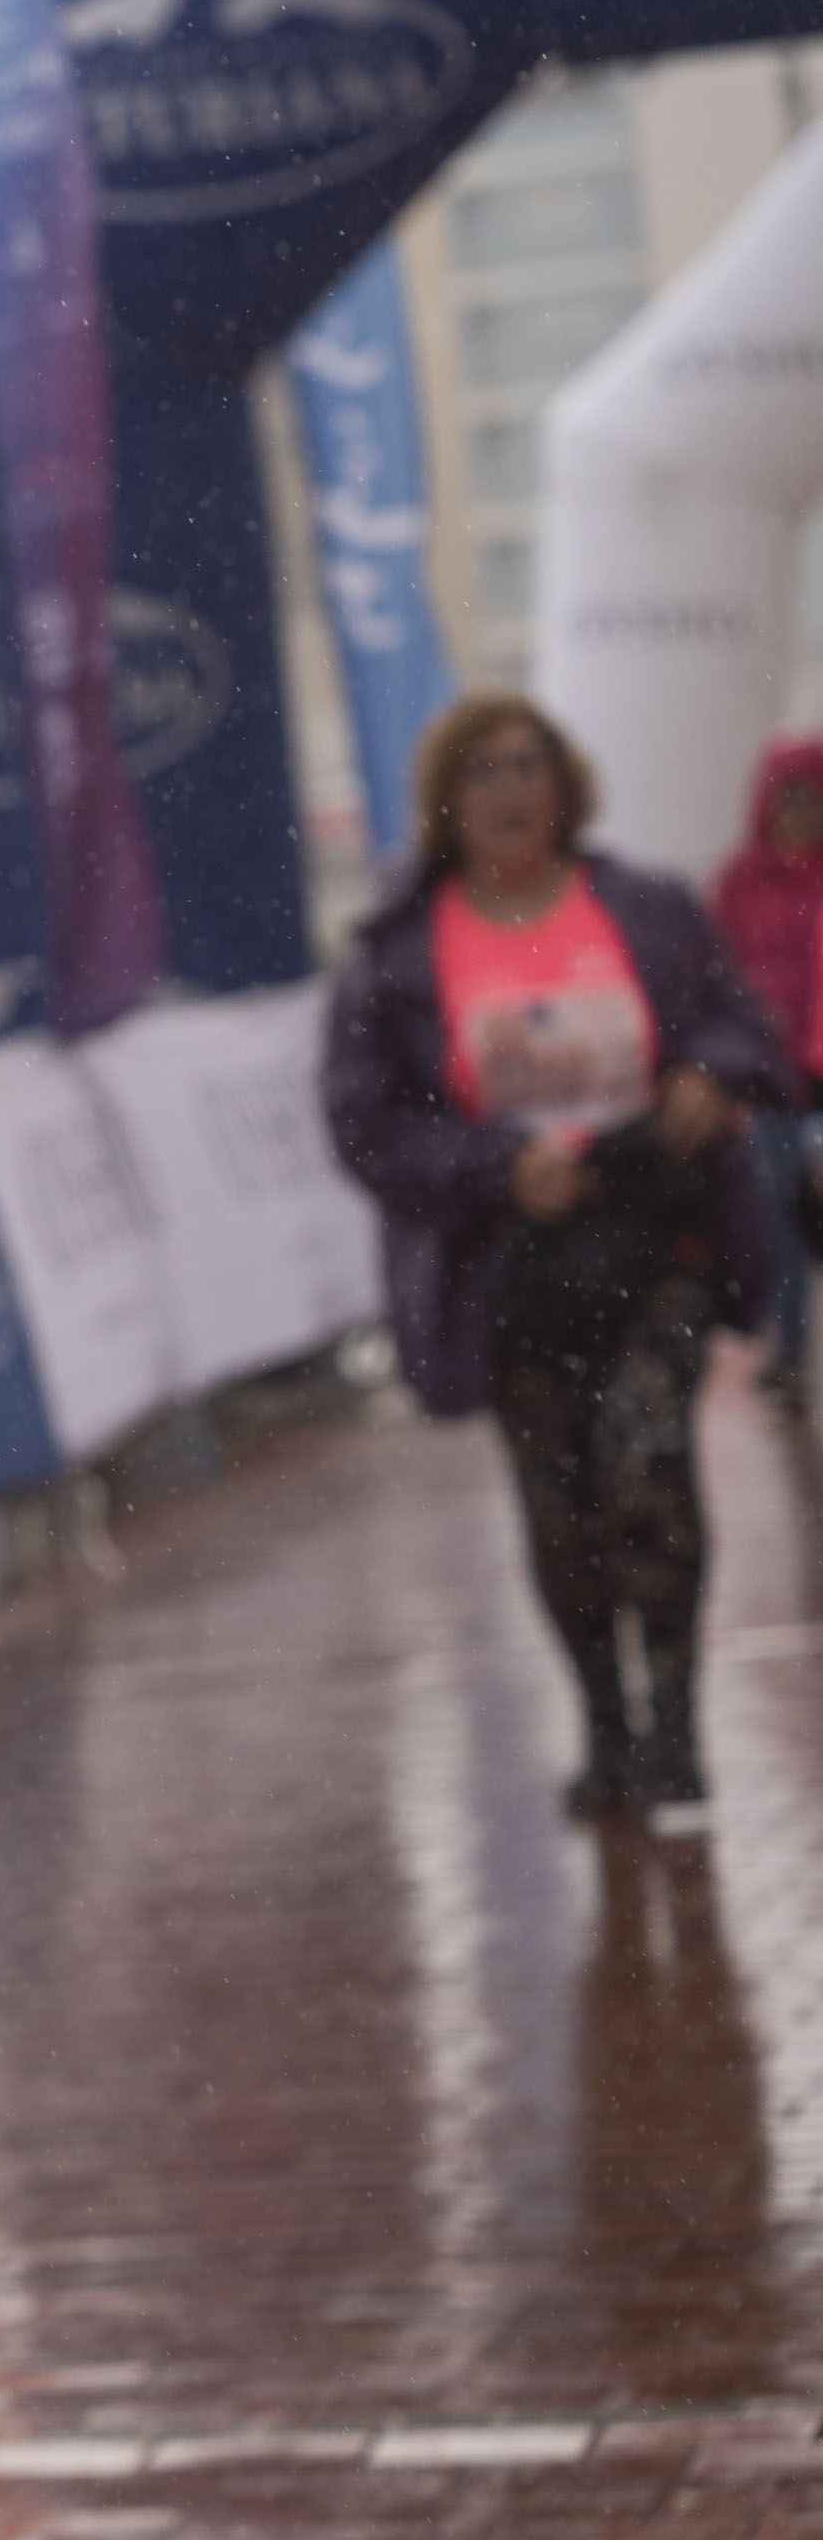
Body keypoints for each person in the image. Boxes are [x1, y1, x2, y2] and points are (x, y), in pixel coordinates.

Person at [325, 693, 785, 1819]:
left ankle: (674, 1733)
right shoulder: (395, 954)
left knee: (648, 1467)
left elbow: (745, 1029)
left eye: (527, 764)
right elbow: (366, 1122)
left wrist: (706, 1077)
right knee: (562, 1508)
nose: (508, 788)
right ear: (448, 800)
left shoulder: (647, 909)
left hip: (655, 1236)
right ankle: (605, 1727)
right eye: (481, 770)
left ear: (562, 785)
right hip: (512, 1268)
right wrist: (493, 1169)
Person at [708, 730, 823, 1407]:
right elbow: (718, 975)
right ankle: (789, 1345)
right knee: (780, 1213)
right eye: (791, 797)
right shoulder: (740, 881)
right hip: (771, 1078)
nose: (801, 811)